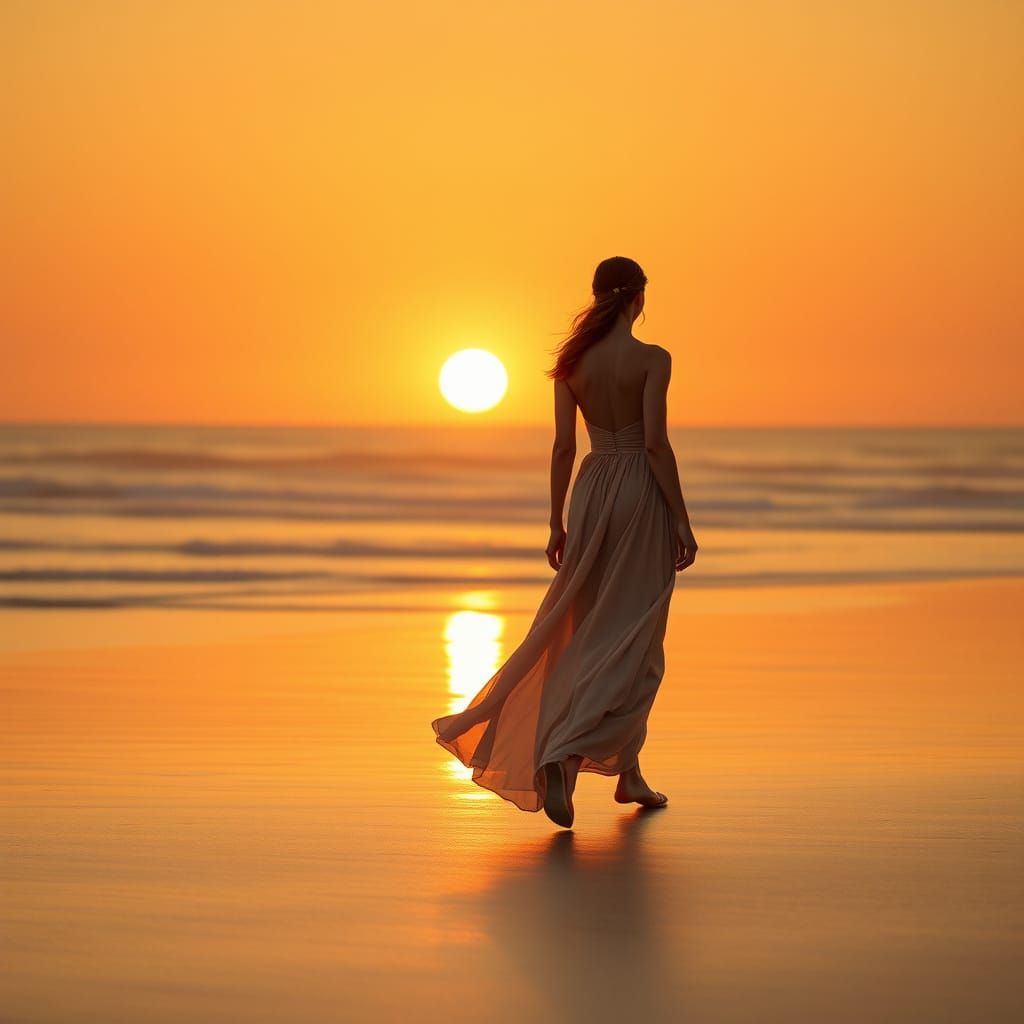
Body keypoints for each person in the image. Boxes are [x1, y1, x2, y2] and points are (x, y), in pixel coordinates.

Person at [431, 256, 698, 828]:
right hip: (637, 493)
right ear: (638, 299)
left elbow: (561, 449)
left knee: (590, 628)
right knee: (636, 637)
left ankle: (628, 775)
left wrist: (556, 522)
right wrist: (681, 517)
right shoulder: (653, 359)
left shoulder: (572, 364)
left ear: (598, 295)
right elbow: (655, 444)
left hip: (592, 488)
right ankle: (567, 755)